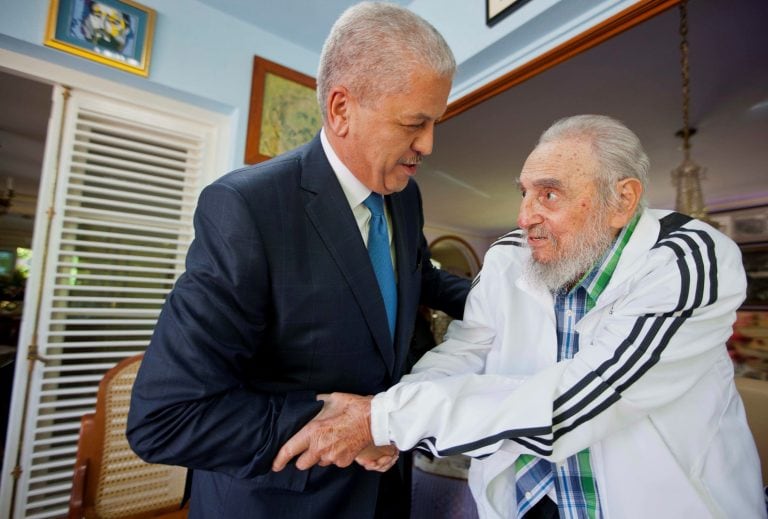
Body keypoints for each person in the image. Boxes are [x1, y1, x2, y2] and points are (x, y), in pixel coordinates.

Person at [272, 115, 766, 518]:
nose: (524, 215)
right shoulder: (510, 256)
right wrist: (396, 416)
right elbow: (466, 351)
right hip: (528, 502)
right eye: (524, 192)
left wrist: (381, 420)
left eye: (548, 194)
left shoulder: (689, 261)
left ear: (622, 200)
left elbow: (583, 400)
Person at [126, 3, 470, 518]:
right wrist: (340, 424)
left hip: (385, 495)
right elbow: (167, 418)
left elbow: (419, 276)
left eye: (434, 122)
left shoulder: (405, 197)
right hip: (279, 503)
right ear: (340, 109)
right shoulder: (248, 209)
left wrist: (514, 294)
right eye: (414, 123)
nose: (428, 144)